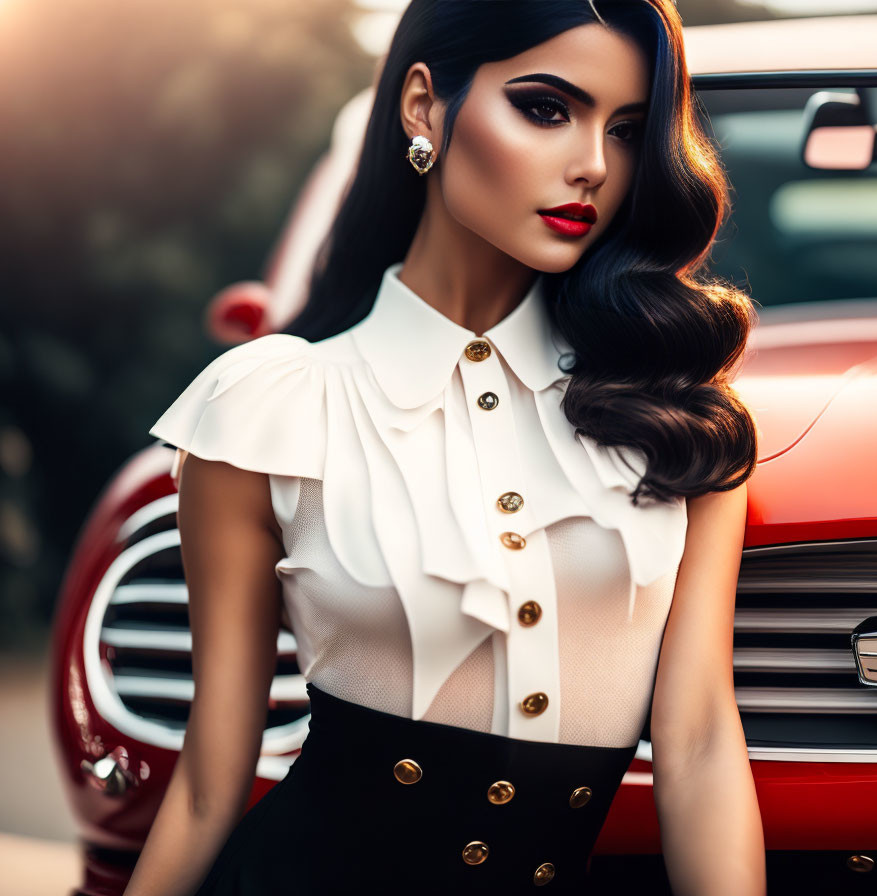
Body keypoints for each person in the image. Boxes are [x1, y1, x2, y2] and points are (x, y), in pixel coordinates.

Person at [124, 1, 764, 893]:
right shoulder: (270, 406)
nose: (592, 166)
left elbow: (697, 743)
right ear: (425, 107)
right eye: (546, 109)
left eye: (624, 131)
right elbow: (205, 784)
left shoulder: (675, 416)